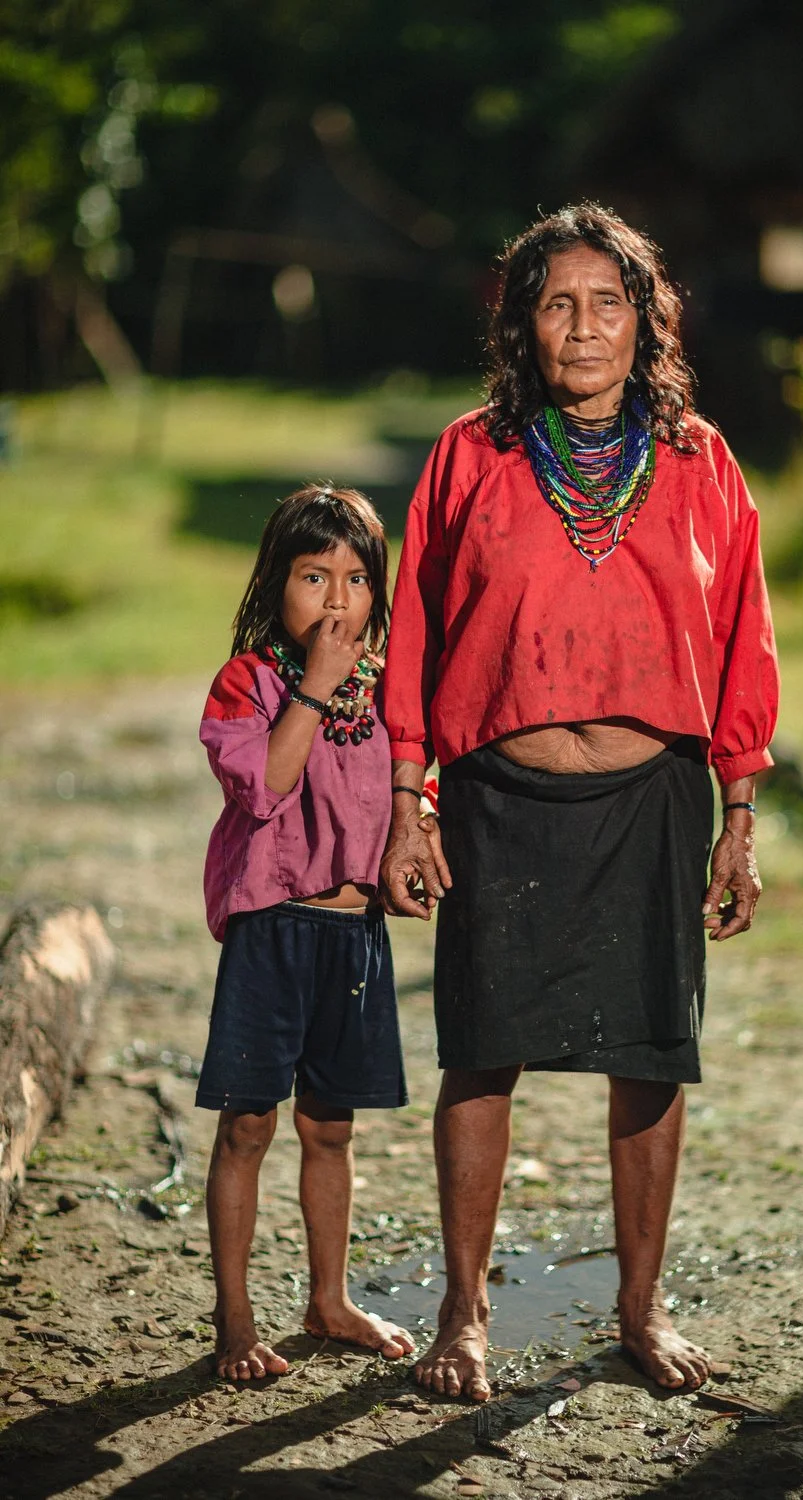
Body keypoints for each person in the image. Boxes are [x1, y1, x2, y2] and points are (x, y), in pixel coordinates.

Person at [380, 204, 779, 1402]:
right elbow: (415, 634)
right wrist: (410, 798)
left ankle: (641, 1310)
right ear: (523, 325)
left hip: (650, 800)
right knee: (482, 1056)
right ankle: (463, 1315)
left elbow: (742, 637)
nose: (584, 326)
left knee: (650, 1057)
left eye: (609, 302)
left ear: (645, 322)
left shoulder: (702, 461)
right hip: (499, 801)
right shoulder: (470, 454)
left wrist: (738, 815)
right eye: (557, 302)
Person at [196, 485, 416, 1381]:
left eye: (357, 580)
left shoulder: (391, 688)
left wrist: (420, 830)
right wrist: (315, 688)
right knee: (249, 1126)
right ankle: (236, 1319)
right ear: (273, 584)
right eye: (313, 576)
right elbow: (267, 786)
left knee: (332, 1130)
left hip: (354, 938)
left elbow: (409, 786)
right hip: (272, 933)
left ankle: (328, 1300)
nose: (336, 600)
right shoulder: (249, 682)